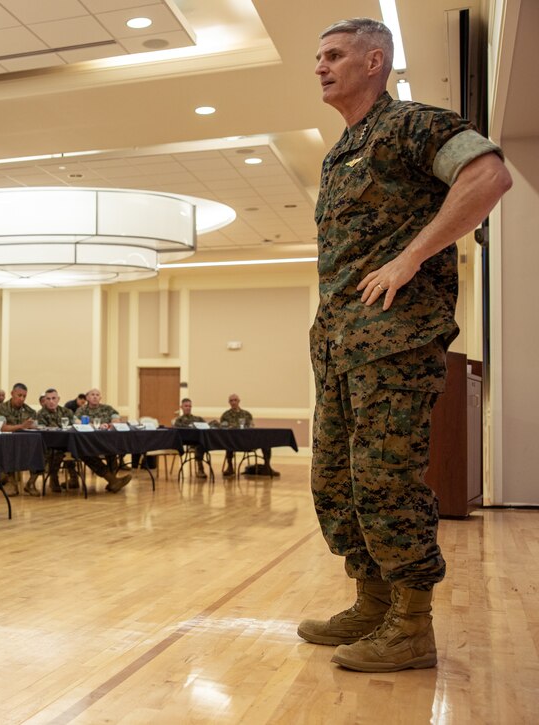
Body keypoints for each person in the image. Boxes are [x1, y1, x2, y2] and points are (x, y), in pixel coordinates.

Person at [298, 18, 511, 674]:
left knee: (386, 478)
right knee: (335, 480)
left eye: (334, 55)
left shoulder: (414, 124)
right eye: (318, 56)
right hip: (339, 347)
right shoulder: (340, 152)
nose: (321, 66)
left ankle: (412, 625)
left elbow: (488, 176)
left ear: (374, 61)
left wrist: (410, 258)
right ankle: (372, 602)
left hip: (394, 341)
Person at [75, 388, 132, 493]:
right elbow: (76, 421)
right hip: (88, 442)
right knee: (86, 453)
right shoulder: (82, 410)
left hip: (106, 441)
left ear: (100, 397)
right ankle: (113, 481)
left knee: (112, 450)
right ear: (87, 397)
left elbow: (116, 418)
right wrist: (92, 425)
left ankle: (113, 482)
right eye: (92, 394)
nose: (95, 396)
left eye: (97, 395)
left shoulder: (107, 408)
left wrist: (111, 423)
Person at [0, 383, 41, 496]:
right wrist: (21, 426)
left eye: (24, 396)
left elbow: (35, 426)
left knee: (42, 450)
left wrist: (33, 426)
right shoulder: (1, 409)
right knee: (6, 450)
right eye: (19, 395)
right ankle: (11, 483)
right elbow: (1, 428)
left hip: (26, 444)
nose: (22, 399)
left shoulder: (30, 411)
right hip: (7, 443)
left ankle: (31, 483)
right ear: (12, 394)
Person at [35, 389, 80, 492]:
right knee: (57, 452)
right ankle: (54, 478)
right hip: (50, 445)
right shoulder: (41, 414)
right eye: (48, 399)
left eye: (53, 398)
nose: (51, 401)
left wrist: (87, 424)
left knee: (75, 449)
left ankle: (74, 479)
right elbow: (43, 432)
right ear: (44, 401)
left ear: (58, 399)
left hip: (67, 443)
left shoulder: (66, 411)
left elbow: (76, 422)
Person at [218, 393, 270, 476]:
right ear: (229, 402)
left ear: (239, 401)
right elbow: (223, 428)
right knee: (228, 441)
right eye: (231, 401)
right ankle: (230, 467)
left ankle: (267, 467)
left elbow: (251, 426)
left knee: (266, 442)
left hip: (247, 441)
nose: (233, 402)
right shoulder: (225, 415)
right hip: (233, 442)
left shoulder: (246, 414)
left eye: (235, 400)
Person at [173, 398, 207, 479]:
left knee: (201, 443)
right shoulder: (179, 420)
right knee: (199, 444)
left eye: (189, 406)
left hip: (198, 441)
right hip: (187, 441)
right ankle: (200, 469)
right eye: (186, 406)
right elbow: (178, 432)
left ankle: (200, 468)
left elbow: (206, 427)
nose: (188, 408)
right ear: (181, 407)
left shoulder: (198, 418)